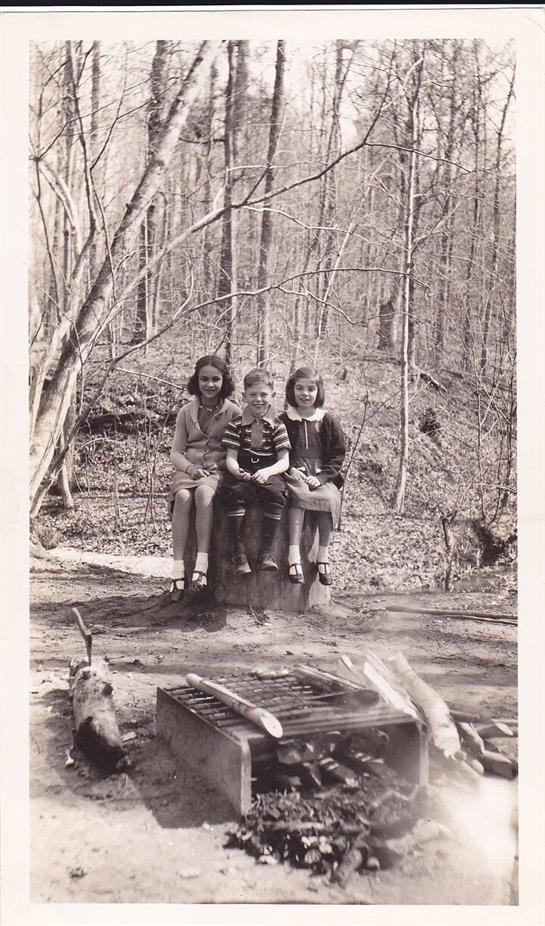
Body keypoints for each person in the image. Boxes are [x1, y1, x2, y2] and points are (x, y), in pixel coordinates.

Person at [169, 355, 240, 602]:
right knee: (183, 496)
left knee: (203, 493)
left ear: (224, 381)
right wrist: (189, 469)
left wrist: (218, 464)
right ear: (196, 381)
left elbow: (237, 452)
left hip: (216, 471)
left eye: (216, 380)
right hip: (189, 470)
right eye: (204, 379)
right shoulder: (185, 412)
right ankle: (178, 570)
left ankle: (202, 565)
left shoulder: (233, 412)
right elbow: (176, 453)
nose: (209, 385)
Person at [279, 366, 346, 586]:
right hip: (294, 470)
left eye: (311, 389)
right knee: (298, 498)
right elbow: (276, 449)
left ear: (319, 392)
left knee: (328, 500)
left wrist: (324, 476)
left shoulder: (326, 420)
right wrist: (289, 468)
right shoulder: (284, 419)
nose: (305, 394)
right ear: (292, 390)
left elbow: (337, 453)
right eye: (299, 388)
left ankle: (323, 557)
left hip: (320, 473)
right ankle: (294, 556)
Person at [220, 369, 291, 574]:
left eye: (264, 395)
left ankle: (265, 553)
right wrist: (236, 471)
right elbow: (231, 457)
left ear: (273, 396)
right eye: (253, 395)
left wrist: (268, 472)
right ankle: (238, 552)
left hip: (269, 470)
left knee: (276, 494)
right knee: (234, 493)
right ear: (244, 396)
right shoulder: (236, 425)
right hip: (243, 470)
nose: (258, 400)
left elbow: (284, 461)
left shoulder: (277, 426)